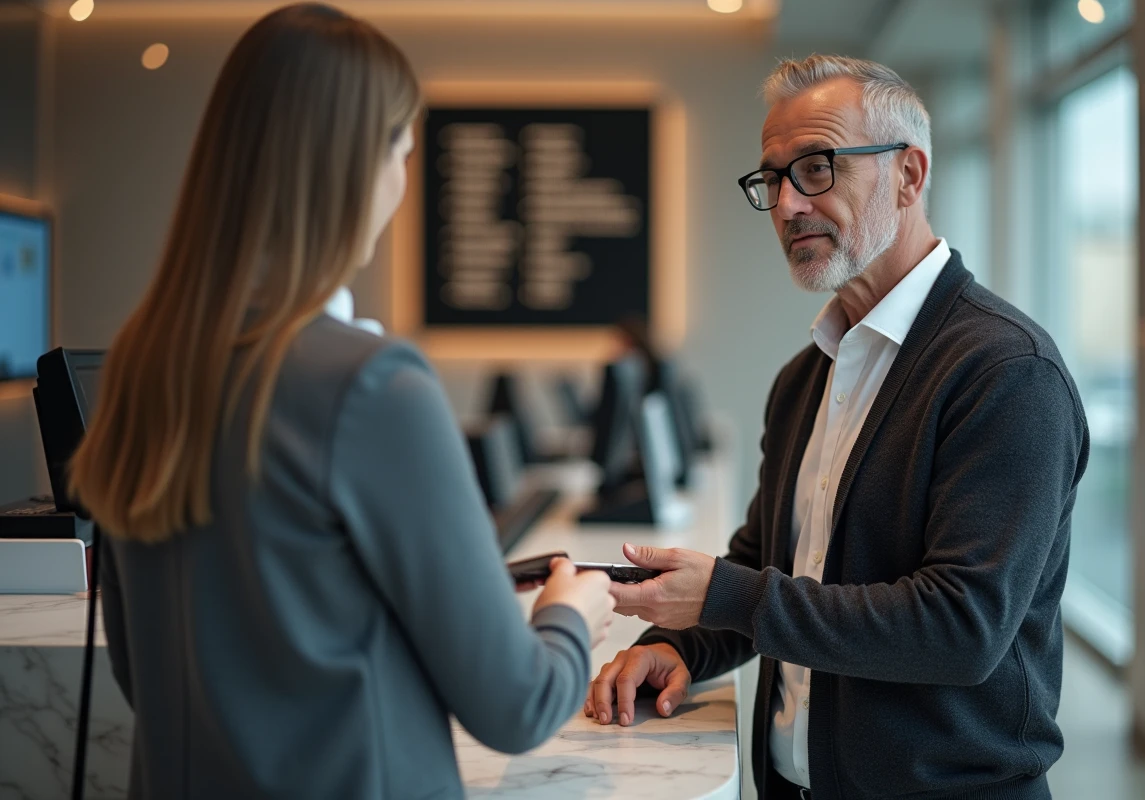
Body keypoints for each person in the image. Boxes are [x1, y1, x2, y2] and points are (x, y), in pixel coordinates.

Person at [69, 5, 614, 799]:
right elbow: (519, 705)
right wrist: (571, 616)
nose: (403, 179)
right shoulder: (374, 385)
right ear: (355, 165)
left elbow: (149, 667)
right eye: (403, 148)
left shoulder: (139, 373)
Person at [586, 55, 1089, 800]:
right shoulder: (806, 376)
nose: (788, 204)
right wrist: (683, 643)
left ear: (909, 176)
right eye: (773, 178)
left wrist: (726, 595)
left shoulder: (1008, 372)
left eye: (817, 168)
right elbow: (769, 564)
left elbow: (962, 627)